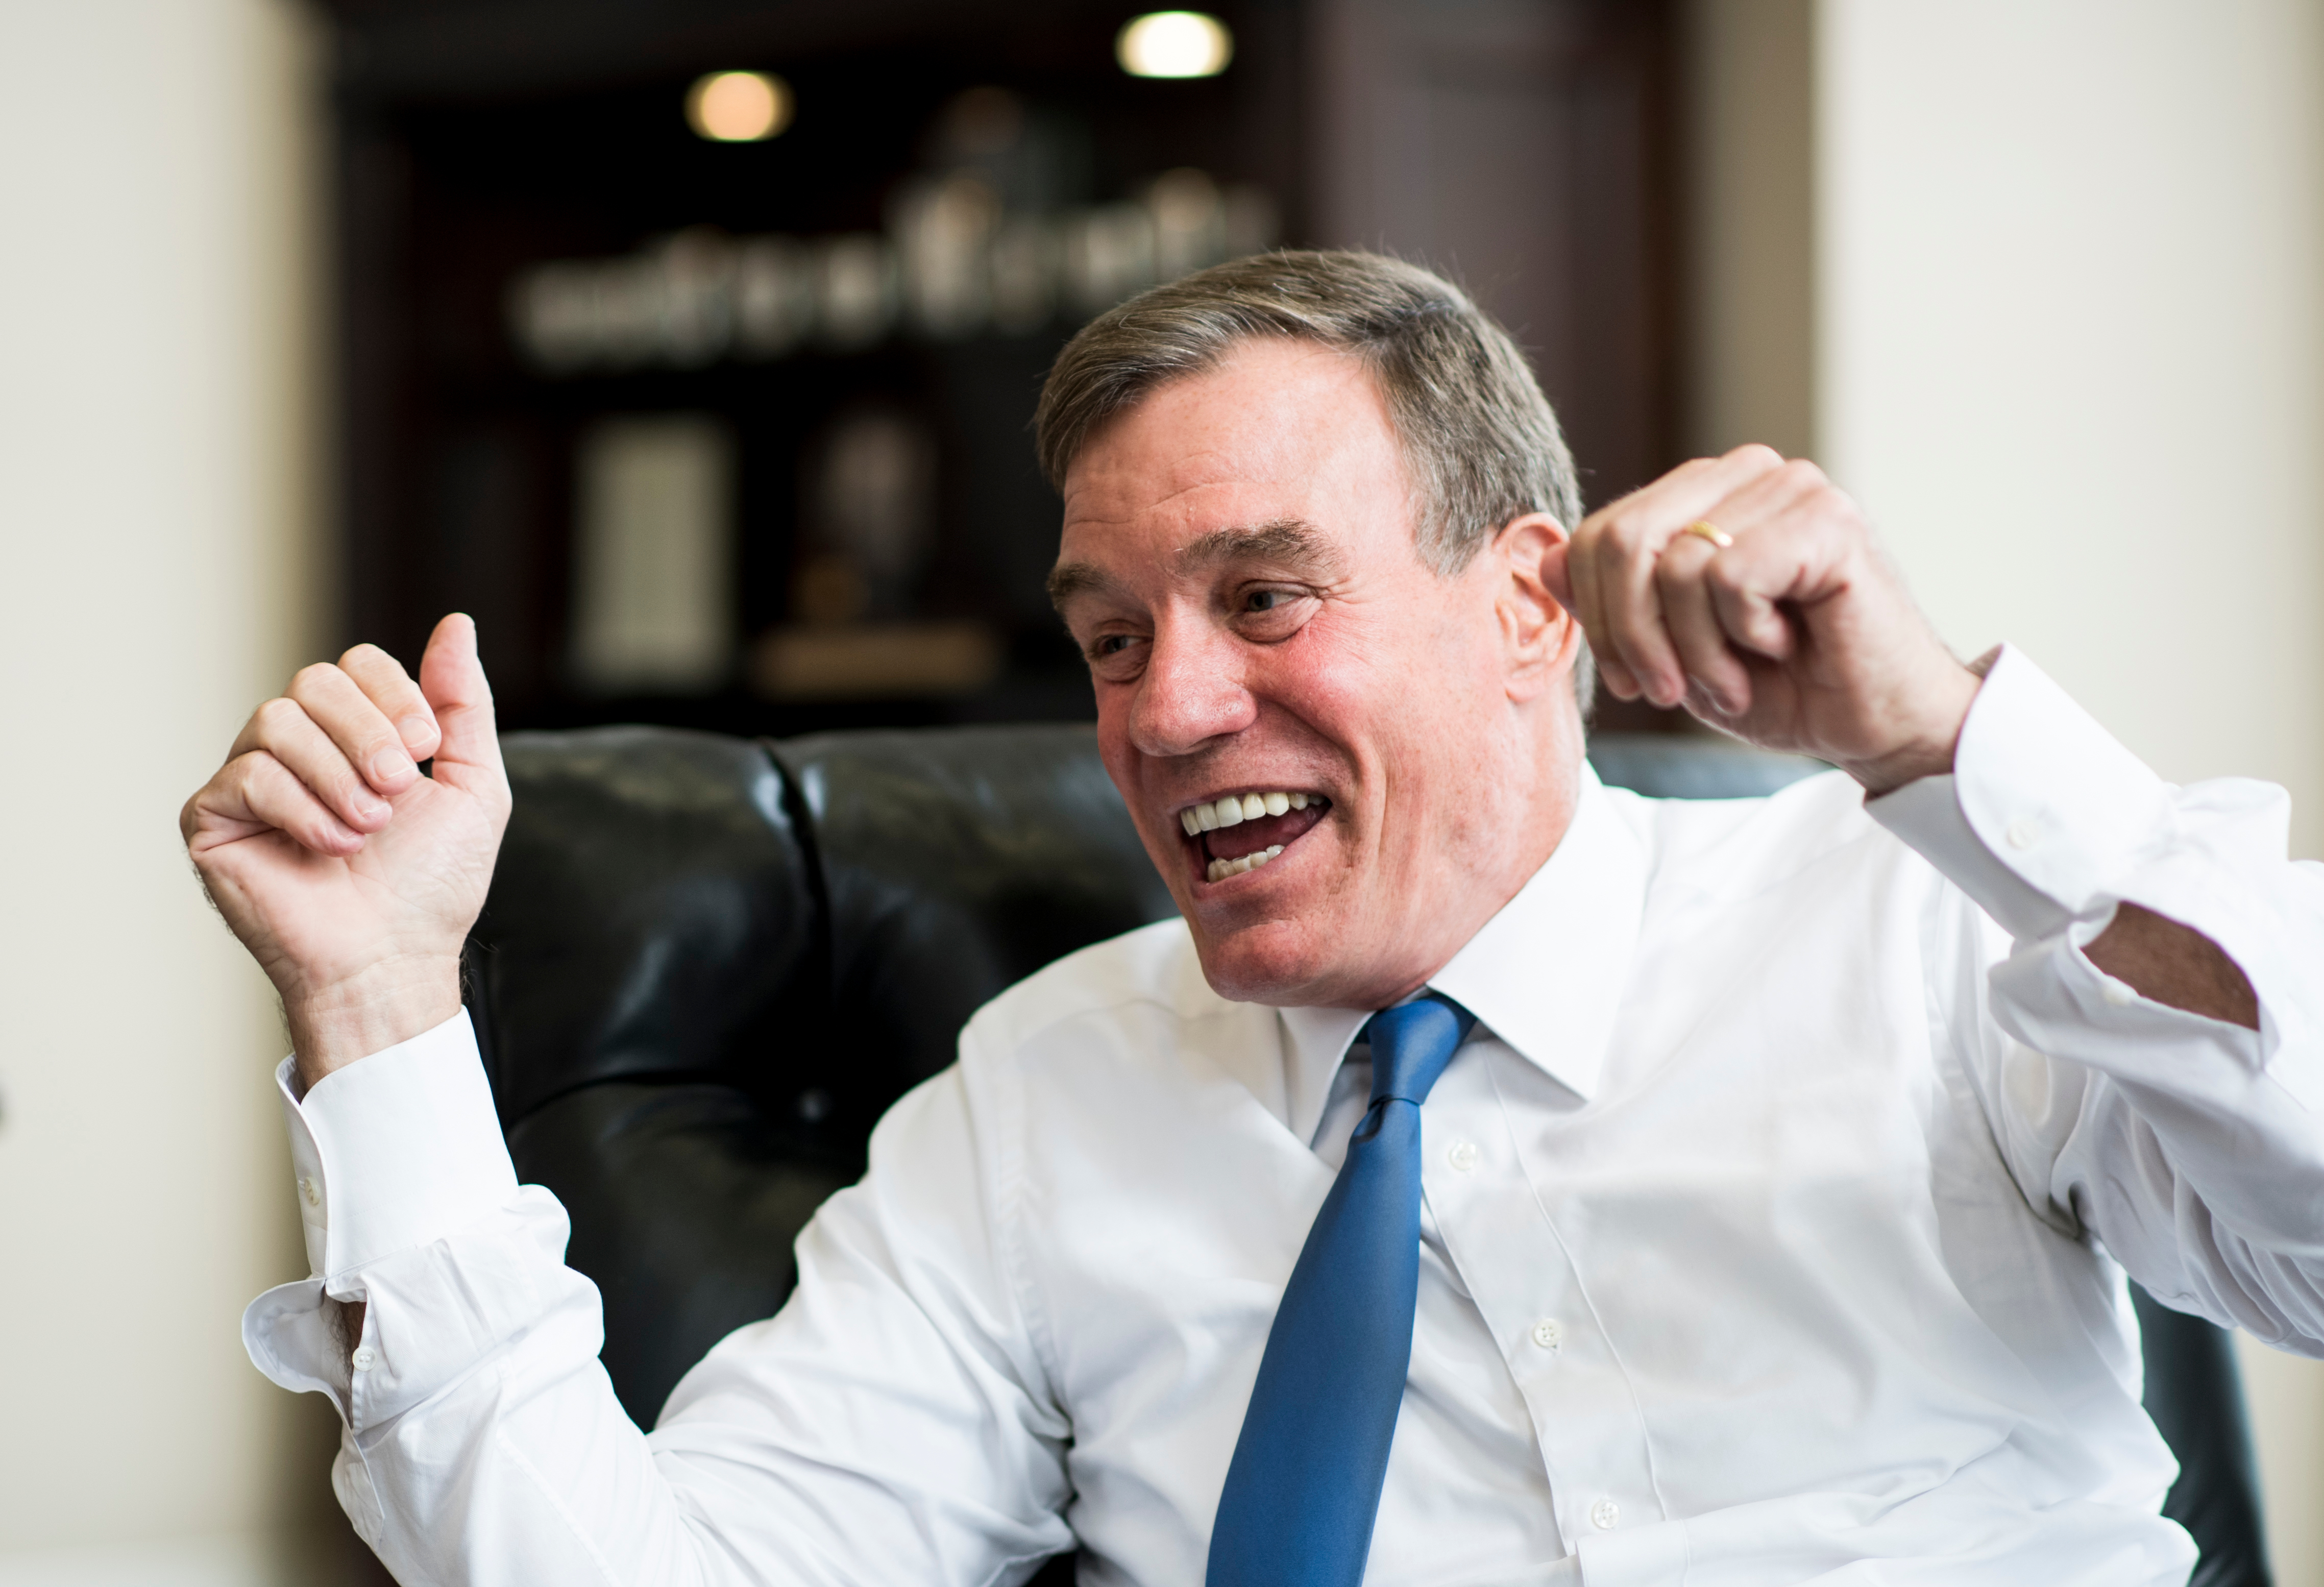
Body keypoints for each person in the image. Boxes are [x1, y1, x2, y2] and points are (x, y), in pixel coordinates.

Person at [183, 251, 2322, 1587]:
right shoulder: (1045, 1100)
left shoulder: (1904, 927)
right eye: (1108, 636)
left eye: (1264, 598)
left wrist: (1945, 744)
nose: (1168, 708)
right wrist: (376, 996)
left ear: (1524, 600)